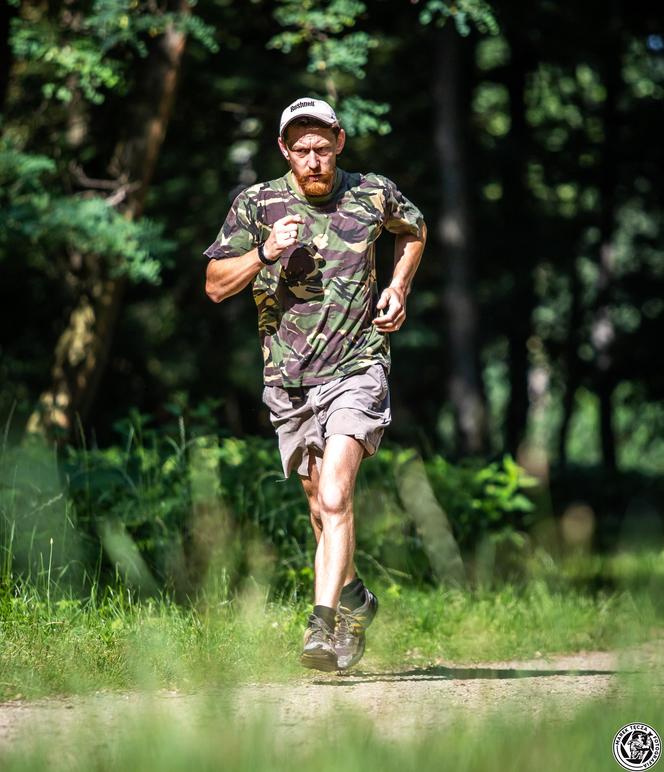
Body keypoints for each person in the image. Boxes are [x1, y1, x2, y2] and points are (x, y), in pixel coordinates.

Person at [204, 97, 427, 672]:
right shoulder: (257, 204)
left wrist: (399, 286)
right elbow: (214, 285)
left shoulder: (372, 193)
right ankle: (355, 600)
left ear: (340, 144)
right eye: (301, 150)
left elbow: (415, 229)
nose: (313, 160)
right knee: (319, 507)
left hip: (358, 367)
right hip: (288, 381)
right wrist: (264, 251)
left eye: (323, 149)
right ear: (284, 150)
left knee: (336, 495)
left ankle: (322, 627)